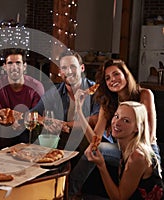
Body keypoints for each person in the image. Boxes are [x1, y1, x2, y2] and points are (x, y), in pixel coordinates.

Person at [70, 59, 161, 198]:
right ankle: (70, 193)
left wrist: (129, 158)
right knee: (93, 150)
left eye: (116, 74)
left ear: (126, 74)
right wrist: (79, 110)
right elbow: (95, 141)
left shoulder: (144, 94)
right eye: (107, 78)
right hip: (122, 148)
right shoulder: (108, 103)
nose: (112, 79)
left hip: (145, 149)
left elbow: (147, 137)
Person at [84, 101, 163, 199]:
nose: (117, 123)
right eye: (116, 116)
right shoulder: (127, 147)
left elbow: (119, 198)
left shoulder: (137, 156)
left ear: (137, 128)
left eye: (126, 121)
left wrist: (101, 165)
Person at [31, 50, 99, 163]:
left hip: (87, 138)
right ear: (59, 72)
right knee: (41, 137)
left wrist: (65, 124)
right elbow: (32, 114)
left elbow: (95, 119)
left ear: (82, 68)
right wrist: (46, 121)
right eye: (64, 68)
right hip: (63, 137)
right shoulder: (54, 91)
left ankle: (72, 180)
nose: (69, 71)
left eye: (73, 66)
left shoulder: (94, 90)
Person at [0, 48, 45, 150]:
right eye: (10, 63)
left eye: (18, 63)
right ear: (5, 67)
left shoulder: (36, 86)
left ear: (24, 66)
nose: (14, 67)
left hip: (28, 135)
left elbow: (38, 117)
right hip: (3, 134)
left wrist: (19, 121)